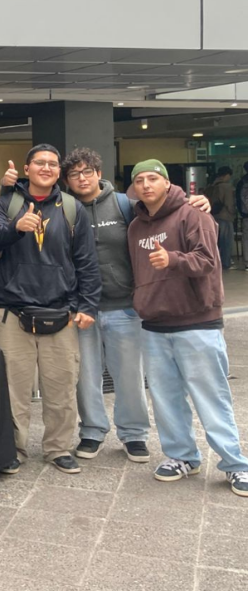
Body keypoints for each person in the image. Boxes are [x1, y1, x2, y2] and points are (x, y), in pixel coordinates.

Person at [51, 148, 213, 464]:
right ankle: (93, 431)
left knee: (128, 375)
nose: (82, 178)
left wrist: (197, 202)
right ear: (67, 181)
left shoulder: (127, 205)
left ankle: (134, 433)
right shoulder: (64, 210)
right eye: (74, 174)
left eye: (87, 171)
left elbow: (163, 210)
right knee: (86, 375)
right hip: (82, 308)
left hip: (123, 306)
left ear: (99, 173)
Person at [126, 159, 248, 497]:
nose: (146, 185)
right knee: (165, 398)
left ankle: (236, 464)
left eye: (153, 178)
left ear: (167, 182)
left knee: (211, 396)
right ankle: (181, 457)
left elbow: (209, 261)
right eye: (139, 180)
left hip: (197, 321)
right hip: (153, 324)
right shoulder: (136, 226)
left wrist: (174, 259)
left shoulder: (194, 214)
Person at [0, 144, 101, 475]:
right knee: (12, 389)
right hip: (11, 313)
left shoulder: (73, 209)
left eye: (52, 164)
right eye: (40, 163)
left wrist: (87, 304)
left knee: (61, 387)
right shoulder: (7, 203)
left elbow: (87, 263)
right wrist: (14, 228)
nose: (46, 168)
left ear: (57, 172)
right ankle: (14, 449)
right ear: (27, 168)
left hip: (60, 313)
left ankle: (58, 448)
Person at [205, 165, 235, 269]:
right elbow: (229, 203)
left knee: (216, 242)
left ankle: (215, 262)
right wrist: (233, 213)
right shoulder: (226, 186)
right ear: (227, 175)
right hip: (225, 216)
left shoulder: (212, 185)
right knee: (226, 242)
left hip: (214, 216)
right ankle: (225, 263)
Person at [237, 162, 248, 269]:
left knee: (246, 239)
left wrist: (241, 212)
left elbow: (238, 200)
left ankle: (247, 262)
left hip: (246, 215)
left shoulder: (242, 182)